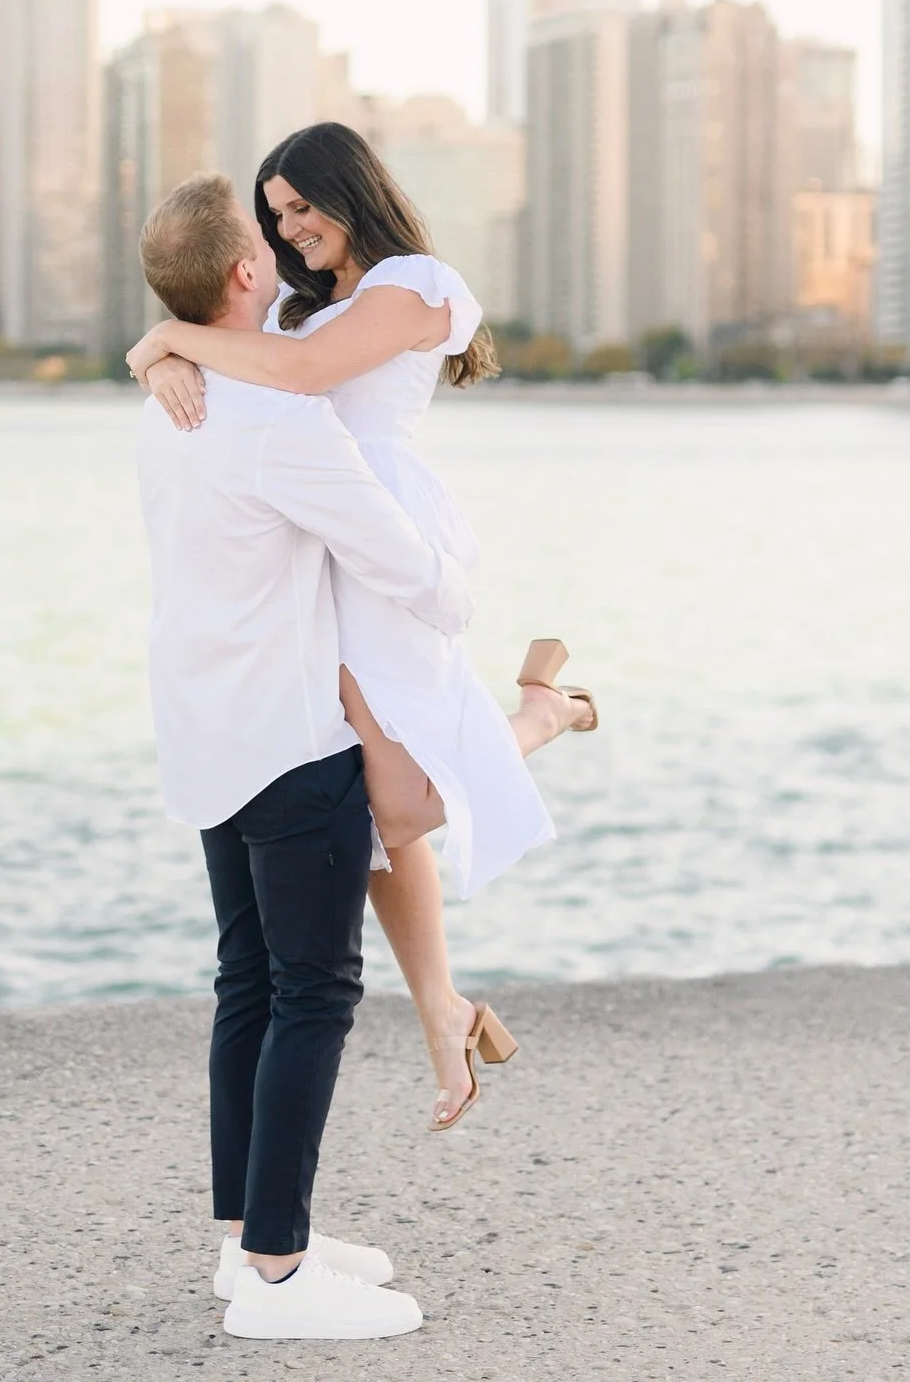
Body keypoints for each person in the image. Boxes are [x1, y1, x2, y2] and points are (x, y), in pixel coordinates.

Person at [127, 119, 598, 1132]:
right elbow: (255, 373)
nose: (291, 227)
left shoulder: (418, 287)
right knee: (367, 806)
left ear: (351, 188)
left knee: (391, 808)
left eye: (303, 204)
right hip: (313, 542)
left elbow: (292, 381)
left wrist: (164, 338)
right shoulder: (307, 311)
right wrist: (154, 353)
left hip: (381, 537)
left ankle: (538, 717)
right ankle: (444, 1011)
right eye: (276, 214)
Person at [135, 169, 479, 1340]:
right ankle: (278, 1277)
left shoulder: (166, 400)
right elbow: (407, 570)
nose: (281, 248)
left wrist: (156, 348)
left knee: (249, 981)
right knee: (316, 992)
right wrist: (456, 581)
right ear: (245, 274)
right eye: (262, 238)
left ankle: (246, 1238)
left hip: (203, 725)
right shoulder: (278, 419)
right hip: (288, 736)